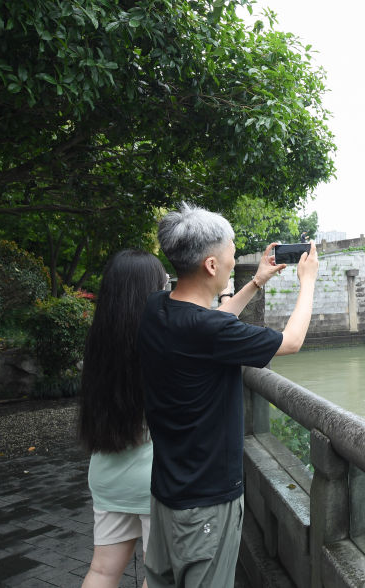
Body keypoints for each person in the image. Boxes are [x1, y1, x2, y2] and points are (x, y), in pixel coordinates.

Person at [137, 203, 319, 587]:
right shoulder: (207, 331)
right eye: (231, 250)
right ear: (211, 265)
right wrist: (309, 282)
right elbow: (292, 341)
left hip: (167, 490)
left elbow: (213, 322)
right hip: (206, 502)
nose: (236, 256)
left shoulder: (157, 309)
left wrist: (257, 281)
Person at [79, 249, 169, 588]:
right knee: (160, 576)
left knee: (102, 570)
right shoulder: (161, 341)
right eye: (163, 283)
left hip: (105, 473)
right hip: (152, 480)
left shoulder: (99, 342)